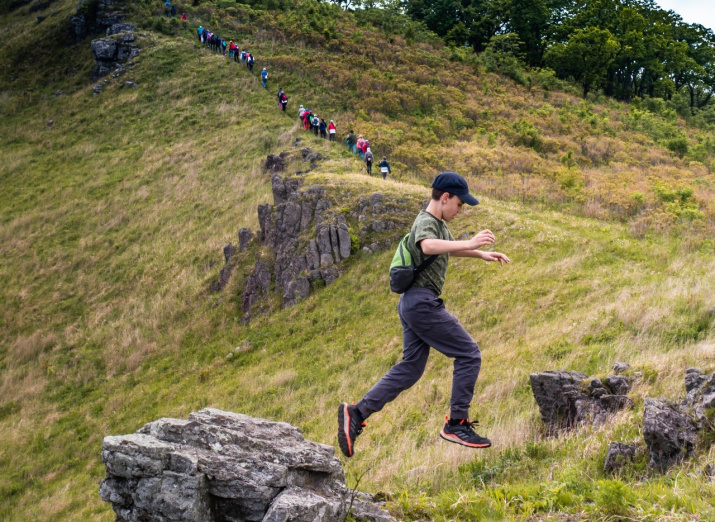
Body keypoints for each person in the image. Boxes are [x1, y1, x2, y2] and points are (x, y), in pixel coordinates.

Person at [337, 172, 510, 458]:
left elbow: (446, 250)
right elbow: (428, 247)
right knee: (469, 354)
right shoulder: (426, 222)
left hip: (412, 304)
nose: (460, 210)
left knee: (412, 368)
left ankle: (356, 413)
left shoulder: (438, 225)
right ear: (445, 198)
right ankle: (457, 423)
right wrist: (470, 243)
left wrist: (482, 255)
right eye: (459, 204)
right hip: (421, 303)